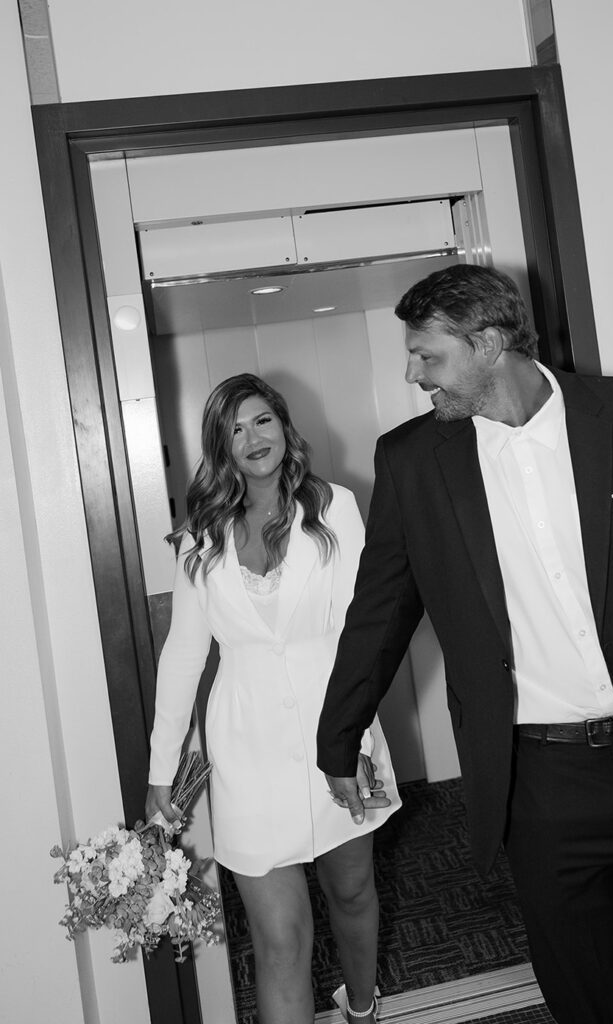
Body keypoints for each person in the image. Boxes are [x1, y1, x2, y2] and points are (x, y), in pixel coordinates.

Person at [316, 264, 613, 1024]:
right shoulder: (413, 462)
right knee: (594, 1004)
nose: (413, 374)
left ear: (488, 344)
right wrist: (337, 735)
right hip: (542, 785)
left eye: (428, 355)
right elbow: (379, 613)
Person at [146, 373, 399, 1024]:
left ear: (284, 426)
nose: (251, 438)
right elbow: (182, 653)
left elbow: (359, 632)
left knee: (351, 892)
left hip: (337, 732)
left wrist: (362, 740)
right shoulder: (199, 536)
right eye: (234, 429)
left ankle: (361, 1004)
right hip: (245, 748)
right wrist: (160, 771)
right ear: (220, 448)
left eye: (261, 420)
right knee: (280, 938)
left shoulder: (335, 506)